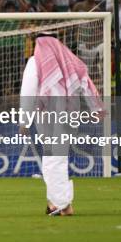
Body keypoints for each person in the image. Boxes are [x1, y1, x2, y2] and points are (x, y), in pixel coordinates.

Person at [19, 34, 101, 216]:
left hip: (48, 116)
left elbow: (29, 90)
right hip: (70, 115)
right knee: (58, 159)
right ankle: (55, 203)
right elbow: (86, 83)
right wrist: (96, 108)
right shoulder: (70, 60)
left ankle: (62, 204)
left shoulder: (35, 62)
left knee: (52, 160)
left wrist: (24, 121)